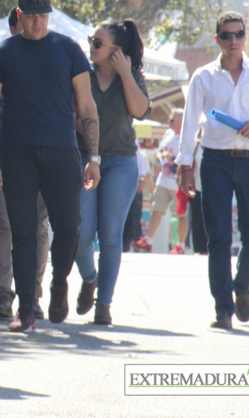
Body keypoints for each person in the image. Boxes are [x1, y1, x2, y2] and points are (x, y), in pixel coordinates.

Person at [0, 0, 100, 333]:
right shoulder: (3, 52)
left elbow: (85, 105)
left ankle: (58, 283)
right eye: (30, 17)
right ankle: (26, 308)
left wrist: (93, 156)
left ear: (49, 14)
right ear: (19, 15)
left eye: (43, 16)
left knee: (69, 227)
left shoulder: (68, 49)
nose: (37, 23)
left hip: (61, 150)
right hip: (16, 150)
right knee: (23, 232)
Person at [177, 11, 249, 329]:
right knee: (219, 237)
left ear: (245, 36)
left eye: (238, 35)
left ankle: (240, 286)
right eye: (226, 36)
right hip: (215, 160)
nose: (232, 41)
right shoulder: (203, 76)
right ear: (217, 39)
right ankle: (223, 309)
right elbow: (189, 124)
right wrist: (185, 164)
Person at [72, 20, 150, 325]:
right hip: (82, 159)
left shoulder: (132, 77)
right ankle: (89, 277)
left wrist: (126, 74)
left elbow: (140, 110)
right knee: (81, 232)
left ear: (117, 51)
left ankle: (104, 303)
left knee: (110, 234)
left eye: (99, 42)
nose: (92, 46)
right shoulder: (82, 76)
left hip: (121, 161)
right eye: (92, 39)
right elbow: (70, 113)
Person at [0, 6, 50, 320]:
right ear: (15, 27)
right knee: (5, 222)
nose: (33, 27)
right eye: (26, 22)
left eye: (40, 19)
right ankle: (2, 295)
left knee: (38, 225)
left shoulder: (57, 55)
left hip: (44, 151)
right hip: (4, 149)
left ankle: (33, 295)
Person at [136, 109, 188, 253]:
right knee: (156, 210)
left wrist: (171, 158)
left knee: (181, 215)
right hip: (163, 180)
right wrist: (160, 155)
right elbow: (160, 149)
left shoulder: (187, 136)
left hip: (178, 183)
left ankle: (181, 245)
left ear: (180, 121)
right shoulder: (168, 134)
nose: (169, 123)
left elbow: (188, 157)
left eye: (171, 120)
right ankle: (147, 241)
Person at [122, 140, 153, 252]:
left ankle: (128, 246)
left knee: (132, 217)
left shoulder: (131, 133)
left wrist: (140, 178)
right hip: (120, 179)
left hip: (131, 182)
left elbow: (138, 155)